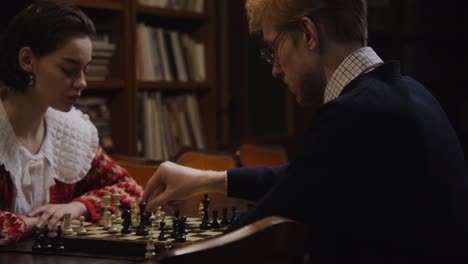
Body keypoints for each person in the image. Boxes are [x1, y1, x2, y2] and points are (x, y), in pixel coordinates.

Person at [143, 0, 468, 262]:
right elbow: (306, 175)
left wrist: (169, 249)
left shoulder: (355, 113)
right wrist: (209, 180)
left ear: (308, 34)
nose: (274, 68)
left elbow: (263, 220)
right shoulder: (406, 93)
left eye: (274, 48)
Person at [0, 1, 142, 245]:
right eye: (69, 70)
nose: (82, 82)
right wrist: (34, 223)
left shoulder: (69, 131)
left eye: (85, 70)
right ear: (27, 60)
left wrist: (79, 207)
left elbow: (131, 189)